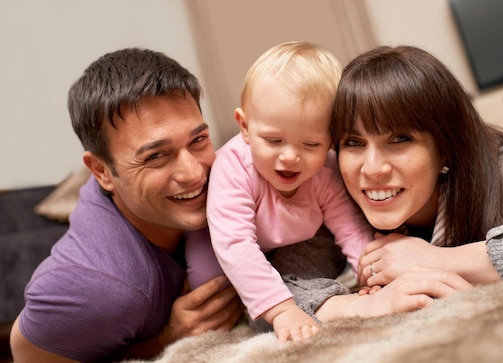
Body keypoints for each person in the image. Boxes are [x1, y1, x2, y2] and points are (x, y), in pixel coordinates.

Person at [311, 45, 503, 321]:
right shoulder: (334, 187)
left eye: (401, 139)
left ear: (445, 146)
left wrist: (440, 260)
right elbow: (277, 278)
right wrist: (362, 306)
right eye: (353, 142)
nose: (373, 167)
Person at [10, 48, 244, 362]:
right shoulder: (97, 285)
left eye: (198, 140)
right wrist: (164, 340)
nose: (194, 173)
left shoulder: (236, 178)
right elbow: (26, 354)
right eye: (155, 156)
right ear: (101, 171)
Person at [185, 41, 373, 342]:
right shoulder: (233, 167)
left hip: (292, 241)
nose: (289, 157)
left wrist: (373, 276)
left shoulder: (327, 169)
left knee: (325, 256)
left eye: (310, 144)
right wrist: (281, 308)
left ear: (331, 139)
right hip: (224, 242)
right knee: (211, 287)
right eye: (273, 141)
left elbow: (350, 228)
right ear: (245, 127)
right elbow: (235, 243)